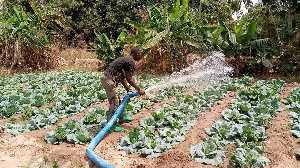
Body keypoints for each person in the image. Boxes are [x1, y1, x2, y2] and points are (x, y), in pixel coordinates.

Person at [100, 47, 145, 132]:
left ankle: (122, 117)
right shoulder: (131, 61)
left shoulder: (126, 60)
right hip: (108, 80)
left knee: (118, 100)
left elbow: (123, 78)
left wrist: (127, 88)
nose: (140, 56)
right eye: (140, 54)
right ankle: (111, 125)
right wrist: (139, 89)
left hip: (107, 79)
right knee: (114, 101)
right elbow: (129, 79)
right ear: (136, 54)